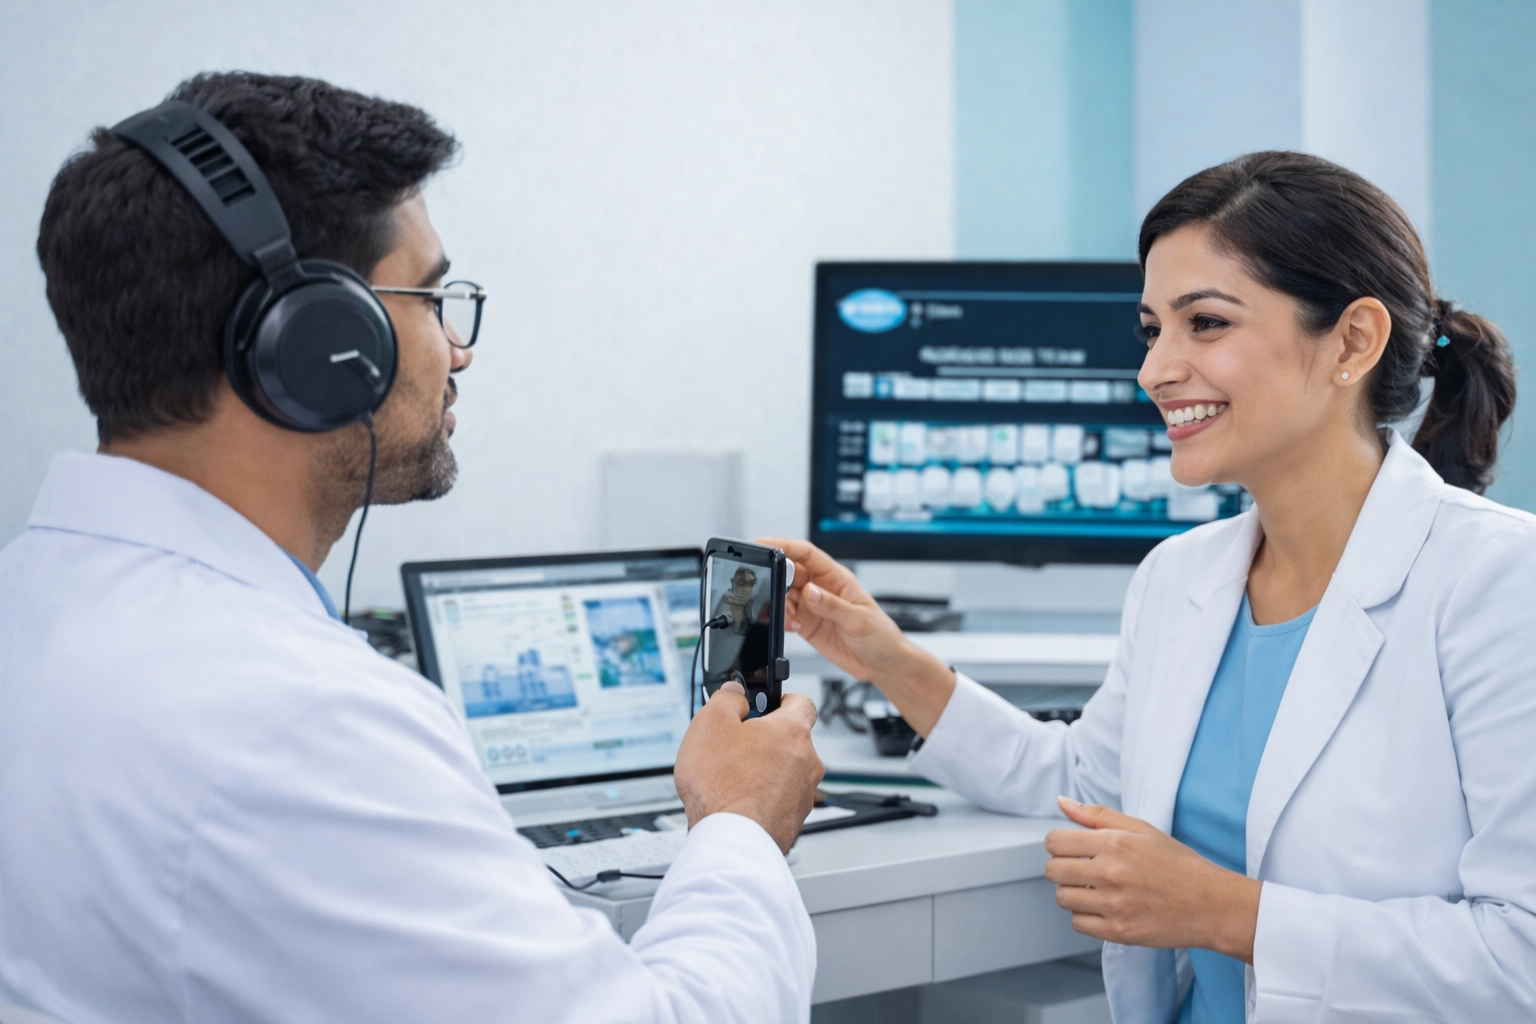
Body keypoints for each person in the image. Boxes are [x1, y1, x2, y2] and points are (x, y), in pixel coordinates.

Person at [0, 72, 823, 1023]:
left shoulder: (33, 606)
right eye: (432, 299)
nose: (459, 350)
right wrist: (739, 827)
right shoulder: (307, 722)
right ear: (316, 342)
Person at [768, 151, 1536, 1023]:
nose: (1155, 371)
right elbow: (1080, 781)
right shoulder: (1183, 576)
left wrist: (1222, 912)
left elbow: (1522, 956)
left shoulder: (1500, 584)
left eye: (1205, 323)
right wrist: (884, 657)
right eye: (1151, 329)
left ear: (1353, 341)